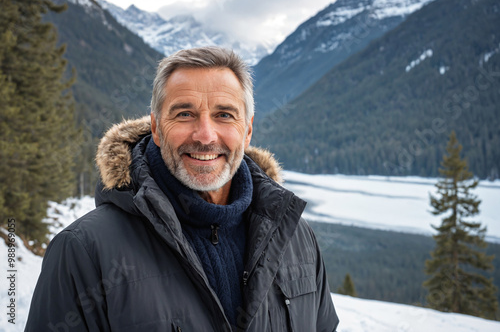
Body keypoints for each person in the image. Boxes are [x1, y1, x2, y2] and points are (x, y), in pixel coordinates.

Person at [25, 46, 339, 331]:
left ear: (247, 131)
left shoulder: (296, 237)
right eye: (185, 114)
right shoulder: (82, 250)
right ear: (157, 127)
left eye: (224, 115)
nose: (205, 135)